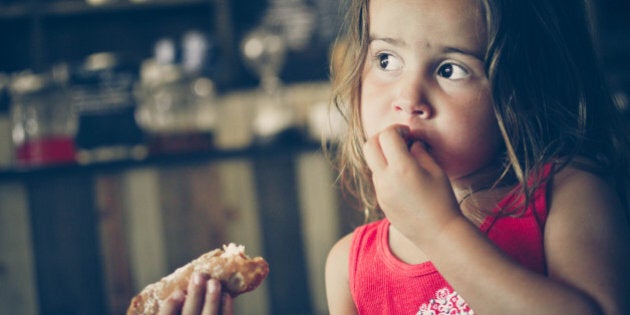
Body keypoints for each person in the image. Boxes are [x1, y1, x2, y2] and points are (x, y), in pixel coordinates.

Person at [325, 0, 630, 314]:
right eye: (386, 60)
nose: (408, 99)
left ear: (524, 90)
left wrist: (438, 229)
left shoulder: (567, 197)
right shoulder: (349, 269)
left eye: (450, 70)